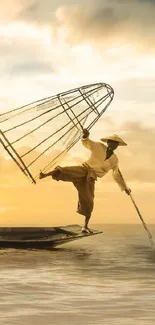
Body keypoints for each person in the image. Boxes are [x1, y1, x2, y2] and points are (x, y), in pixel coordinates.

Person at [39, 129, 131, 233]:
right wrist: (85, 136)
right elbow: (88, 143)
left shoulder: (115, 159)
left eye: (116, 144)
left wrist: (125, 188)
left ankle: (85, 226)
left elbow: (116, 174)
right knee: (65, 170)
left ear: (117, 146)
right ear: (108, 142)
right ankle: (44, 175)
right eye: (112, 142)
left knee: (89, 201)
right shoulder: (99, 147)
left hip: (91, 177)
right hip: (84, 169)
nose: (113, 145)